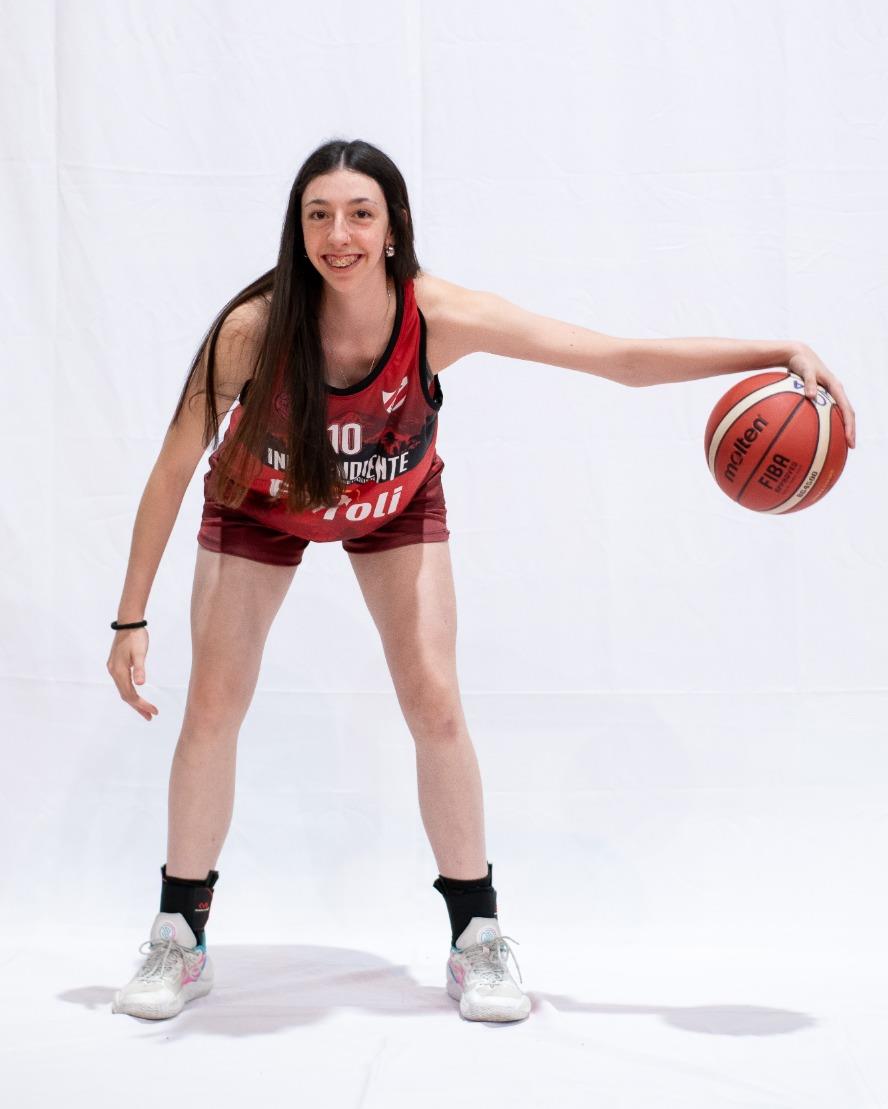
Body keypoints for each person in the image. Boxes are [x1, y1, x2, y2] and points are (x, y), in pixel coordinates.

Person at [107, 138, 856, 1025]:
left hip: (391, 504)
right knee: (213, 704)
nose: (339, 234)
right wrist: (129, 619)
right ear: (297, 228)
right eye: (319, 215)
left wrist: (776, 347)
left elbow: (614, 357)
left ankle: (477, 937)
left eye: (359, 214)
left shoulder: (437, 316)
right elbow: (171, 466)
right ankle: (180, 934)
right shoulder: (253, 330)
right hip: (262, 504)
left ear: (393, 227)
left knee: (435, 702)